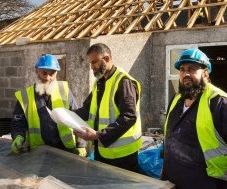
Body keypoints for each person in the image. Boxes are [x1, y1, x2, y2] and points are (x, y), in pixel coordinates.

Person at [161, 48, 227, 189]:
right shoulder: (176, 100)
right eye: (182, 69)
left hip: (208, 186)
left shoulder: (221, 104)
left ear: (205, 73)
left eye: (192, 69)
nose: (186, 74)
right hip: (174, 183)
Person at [74, 43, 142, 172]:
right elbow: (86, 109)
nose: (91, 67)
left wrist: (98, 135)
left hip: (123, 156)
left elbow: (129, 117)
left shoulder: (123, 82)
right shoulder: (99, 83)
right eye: (90, 63)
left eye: (94, 62)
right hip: (103, 149)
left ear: (106, 59)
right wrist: (66, 116)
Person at [10, 54, 86, 156]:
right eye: (44, 73)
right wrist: (18, 136)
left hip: (65, 150)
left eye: (52, 74)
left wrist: (81, 144)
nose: (48, 78)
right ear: (36, 71)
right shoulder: (25, 96)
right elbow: (18, 121)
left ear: (57, 73)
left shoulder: (64, 91)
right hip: (38, 152)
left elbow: (77, 118)